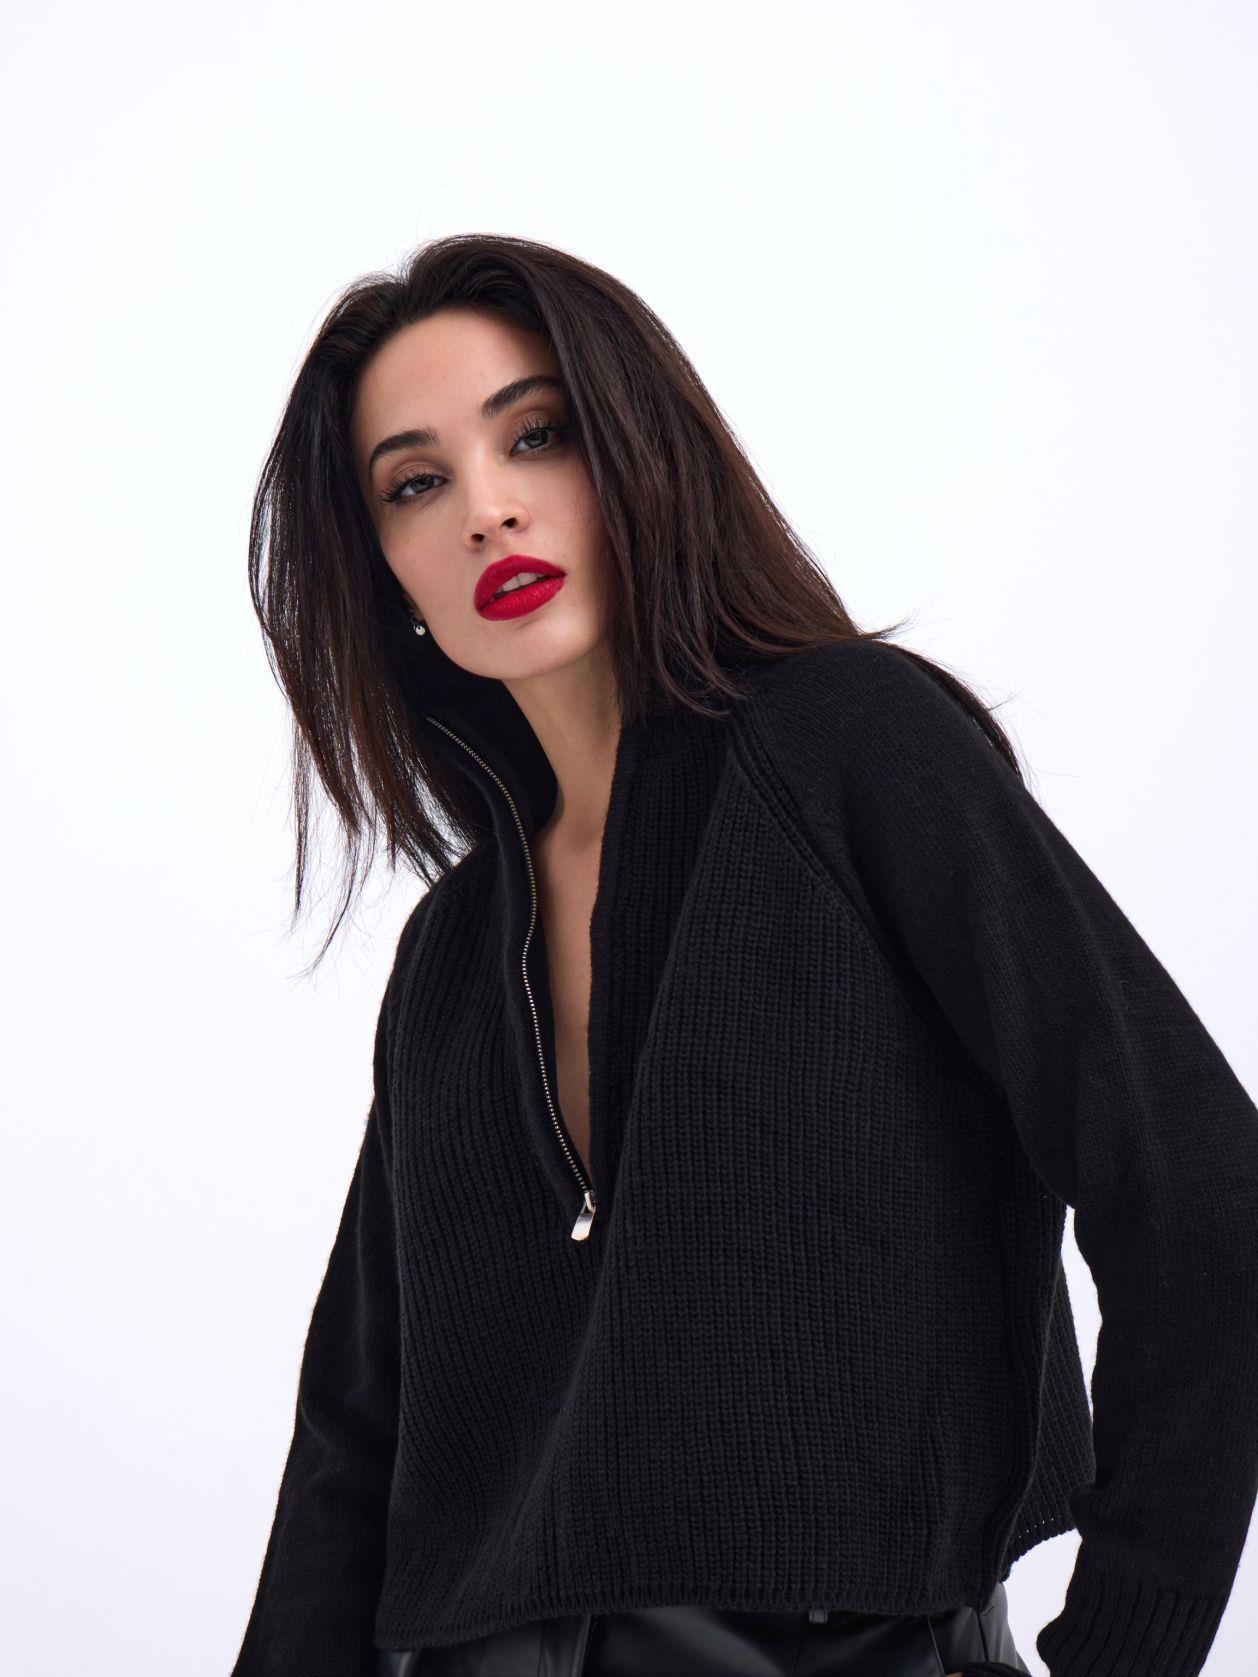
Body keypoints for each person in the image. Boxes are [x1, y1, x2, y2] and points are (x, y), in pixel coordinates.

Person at [228, 234, 1258, 1677]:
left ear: (641, 450)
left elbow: (1201, 1187)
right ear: (384, 567)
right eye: (416, 483)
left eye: (537, 435)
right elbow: (354, 1446)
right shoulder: (452, 955)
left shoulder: (850, 748)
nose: (487, 510)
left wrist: (1125, 1648)